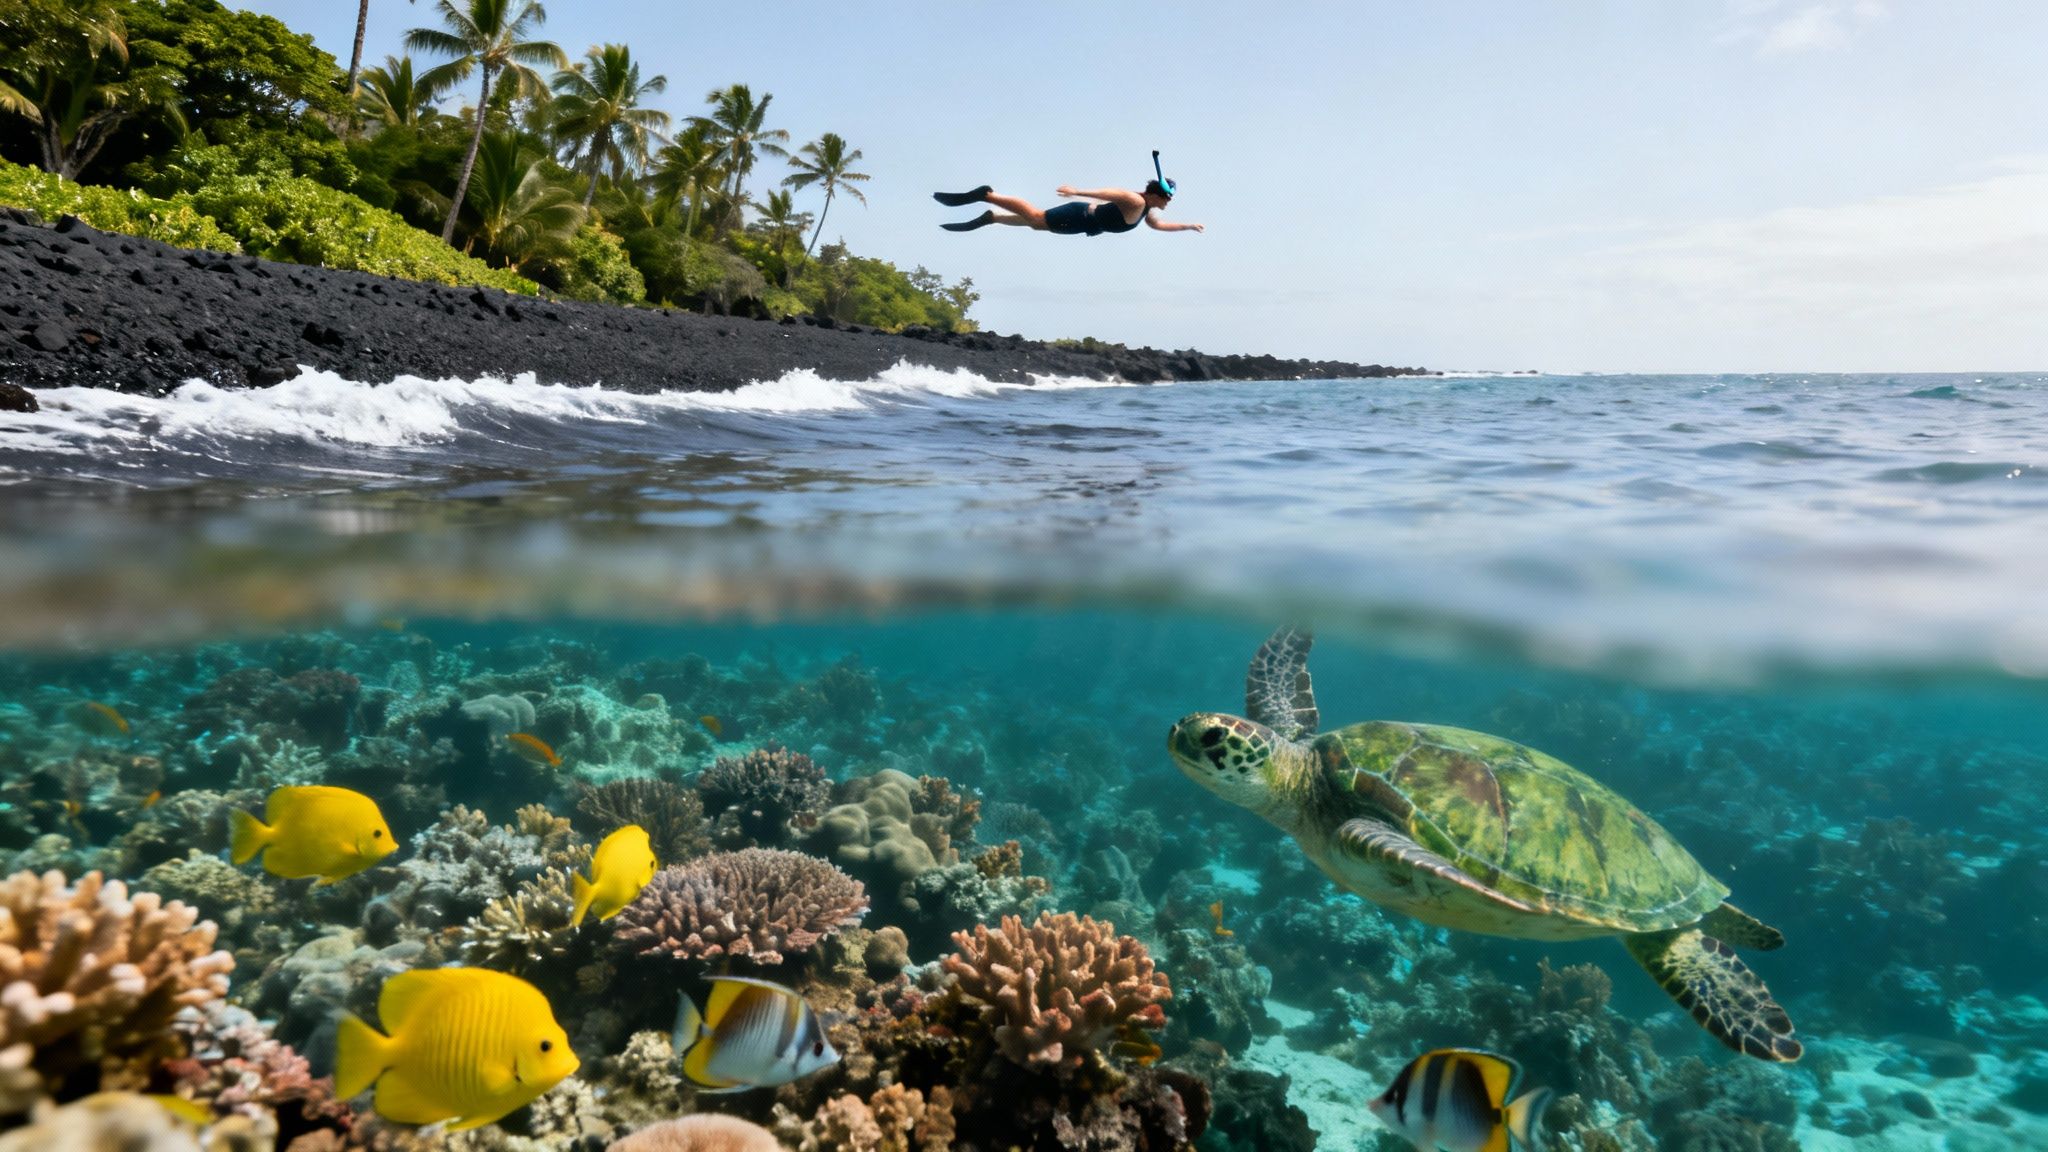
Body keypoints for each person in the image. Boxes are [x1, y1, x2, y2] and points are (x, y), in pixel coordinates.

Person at [934, 179, 1203, 236]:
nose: (1169, 203)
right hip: (1080, 214)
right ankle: (988, 195)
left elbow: (1159, 226)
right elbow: (1110, 192)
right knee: (1036, 216)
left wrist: (1189, 226)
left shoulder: (1146, 210)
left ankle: (992, 217)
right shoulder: (1136, 200)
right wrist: (1077, 191)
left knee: (1037, 225)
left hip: (1084, 223)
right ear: (1157, 195)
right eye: (1168, 199)